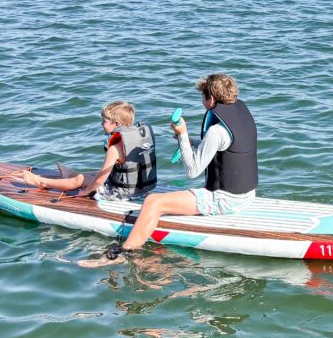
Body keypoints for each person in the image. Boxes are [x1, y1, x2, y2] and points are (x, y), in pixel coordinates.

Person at [105, 73, 258, 260]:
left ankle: (125, 253)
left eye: (202, 96)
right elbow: (222, 147)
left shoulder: (216, 131)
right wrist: (189, 141)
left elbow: (193, 171)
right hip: (247, 195)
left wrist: (183, 134)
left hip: (226, 200)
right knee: (159, 200)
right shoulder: (241, 116)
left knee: (153, 201)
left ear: (211, 99)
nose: (202, 101)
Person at [22, 100, 157, 200]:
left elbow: (100, 180)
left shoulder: (115, 148)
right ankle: (70, 174)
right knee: (97, 173)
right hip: (141, 190)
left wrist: (86, 191)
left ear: (116, 125)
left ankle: (42, 182)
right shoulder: (136, 138)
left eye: (104, 121)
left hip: (121, 194)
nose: (101, 124)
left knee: (82, 179)